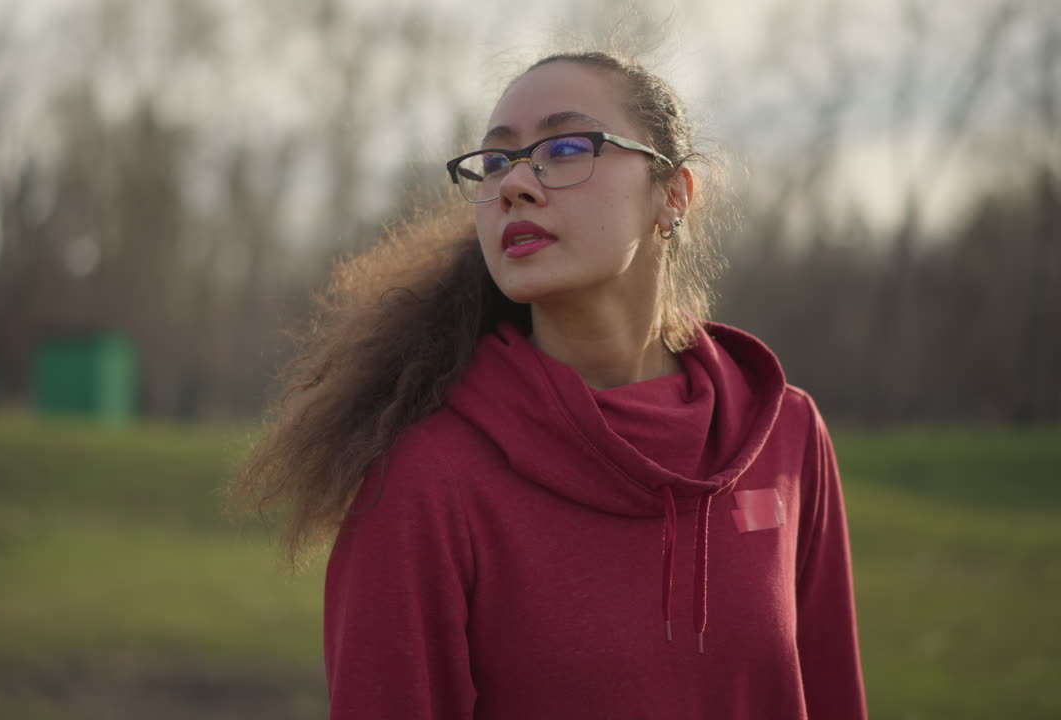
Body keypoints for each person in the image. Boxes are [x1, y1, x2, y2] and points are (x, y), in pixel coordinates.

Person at [232, 50, 867, 719]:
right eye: (497, 161)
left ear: (673, 195)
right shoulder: (426, 479)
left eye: (566, 148)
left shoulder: (786, 437)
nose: (513, 185)